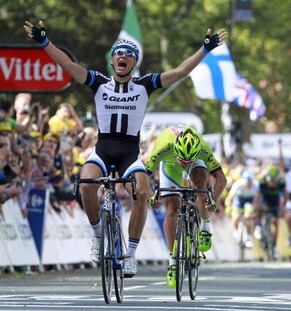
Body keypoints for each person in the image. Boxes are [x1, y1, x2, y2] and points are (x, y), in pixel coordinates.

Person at [24, 20, 226, 278]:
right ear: (112, 62)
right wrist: (44, 42)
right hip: (103, 148)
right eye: (118, 53)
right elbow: (67, 65)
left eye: (129, 55)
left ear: (134, 63)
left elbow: (180, 72)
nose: (123, 57)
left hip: (130, 152)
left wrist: (205, 49)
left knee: (142, 192)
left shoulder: (145, 84)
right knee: (86, 183)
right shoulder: (98, 82)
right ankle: (98, 235)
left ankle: (130, 254)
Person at [144, 125, 227, 288]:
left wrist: (213, 200)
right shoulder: (164, 146)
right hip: (169, 162)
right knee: (172, 210)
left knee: (201, 187)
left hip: (197, 161)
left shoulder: (202, 148)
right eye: (183, 160)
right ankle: (173, 261)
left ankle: (204, 226)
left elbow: (222, 179)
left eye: (187, 160)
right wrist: (150, 196)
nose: (184, 163)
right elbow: (143, 176)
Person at [226, 170, 261, 249]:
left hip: (250, 200)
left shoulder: (255, 185)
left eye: (250, 181)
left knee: (248, 217)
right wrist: (228, 207)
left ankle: (249, 238)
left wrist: (254, 210)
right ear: (243, 180)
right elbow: (230, 197)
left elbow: (256, 199)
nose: (248, 183)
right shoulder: (238, 184)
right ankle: (236, 231)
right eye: (247, 181)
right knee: (236, 216)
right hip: (239, 200)